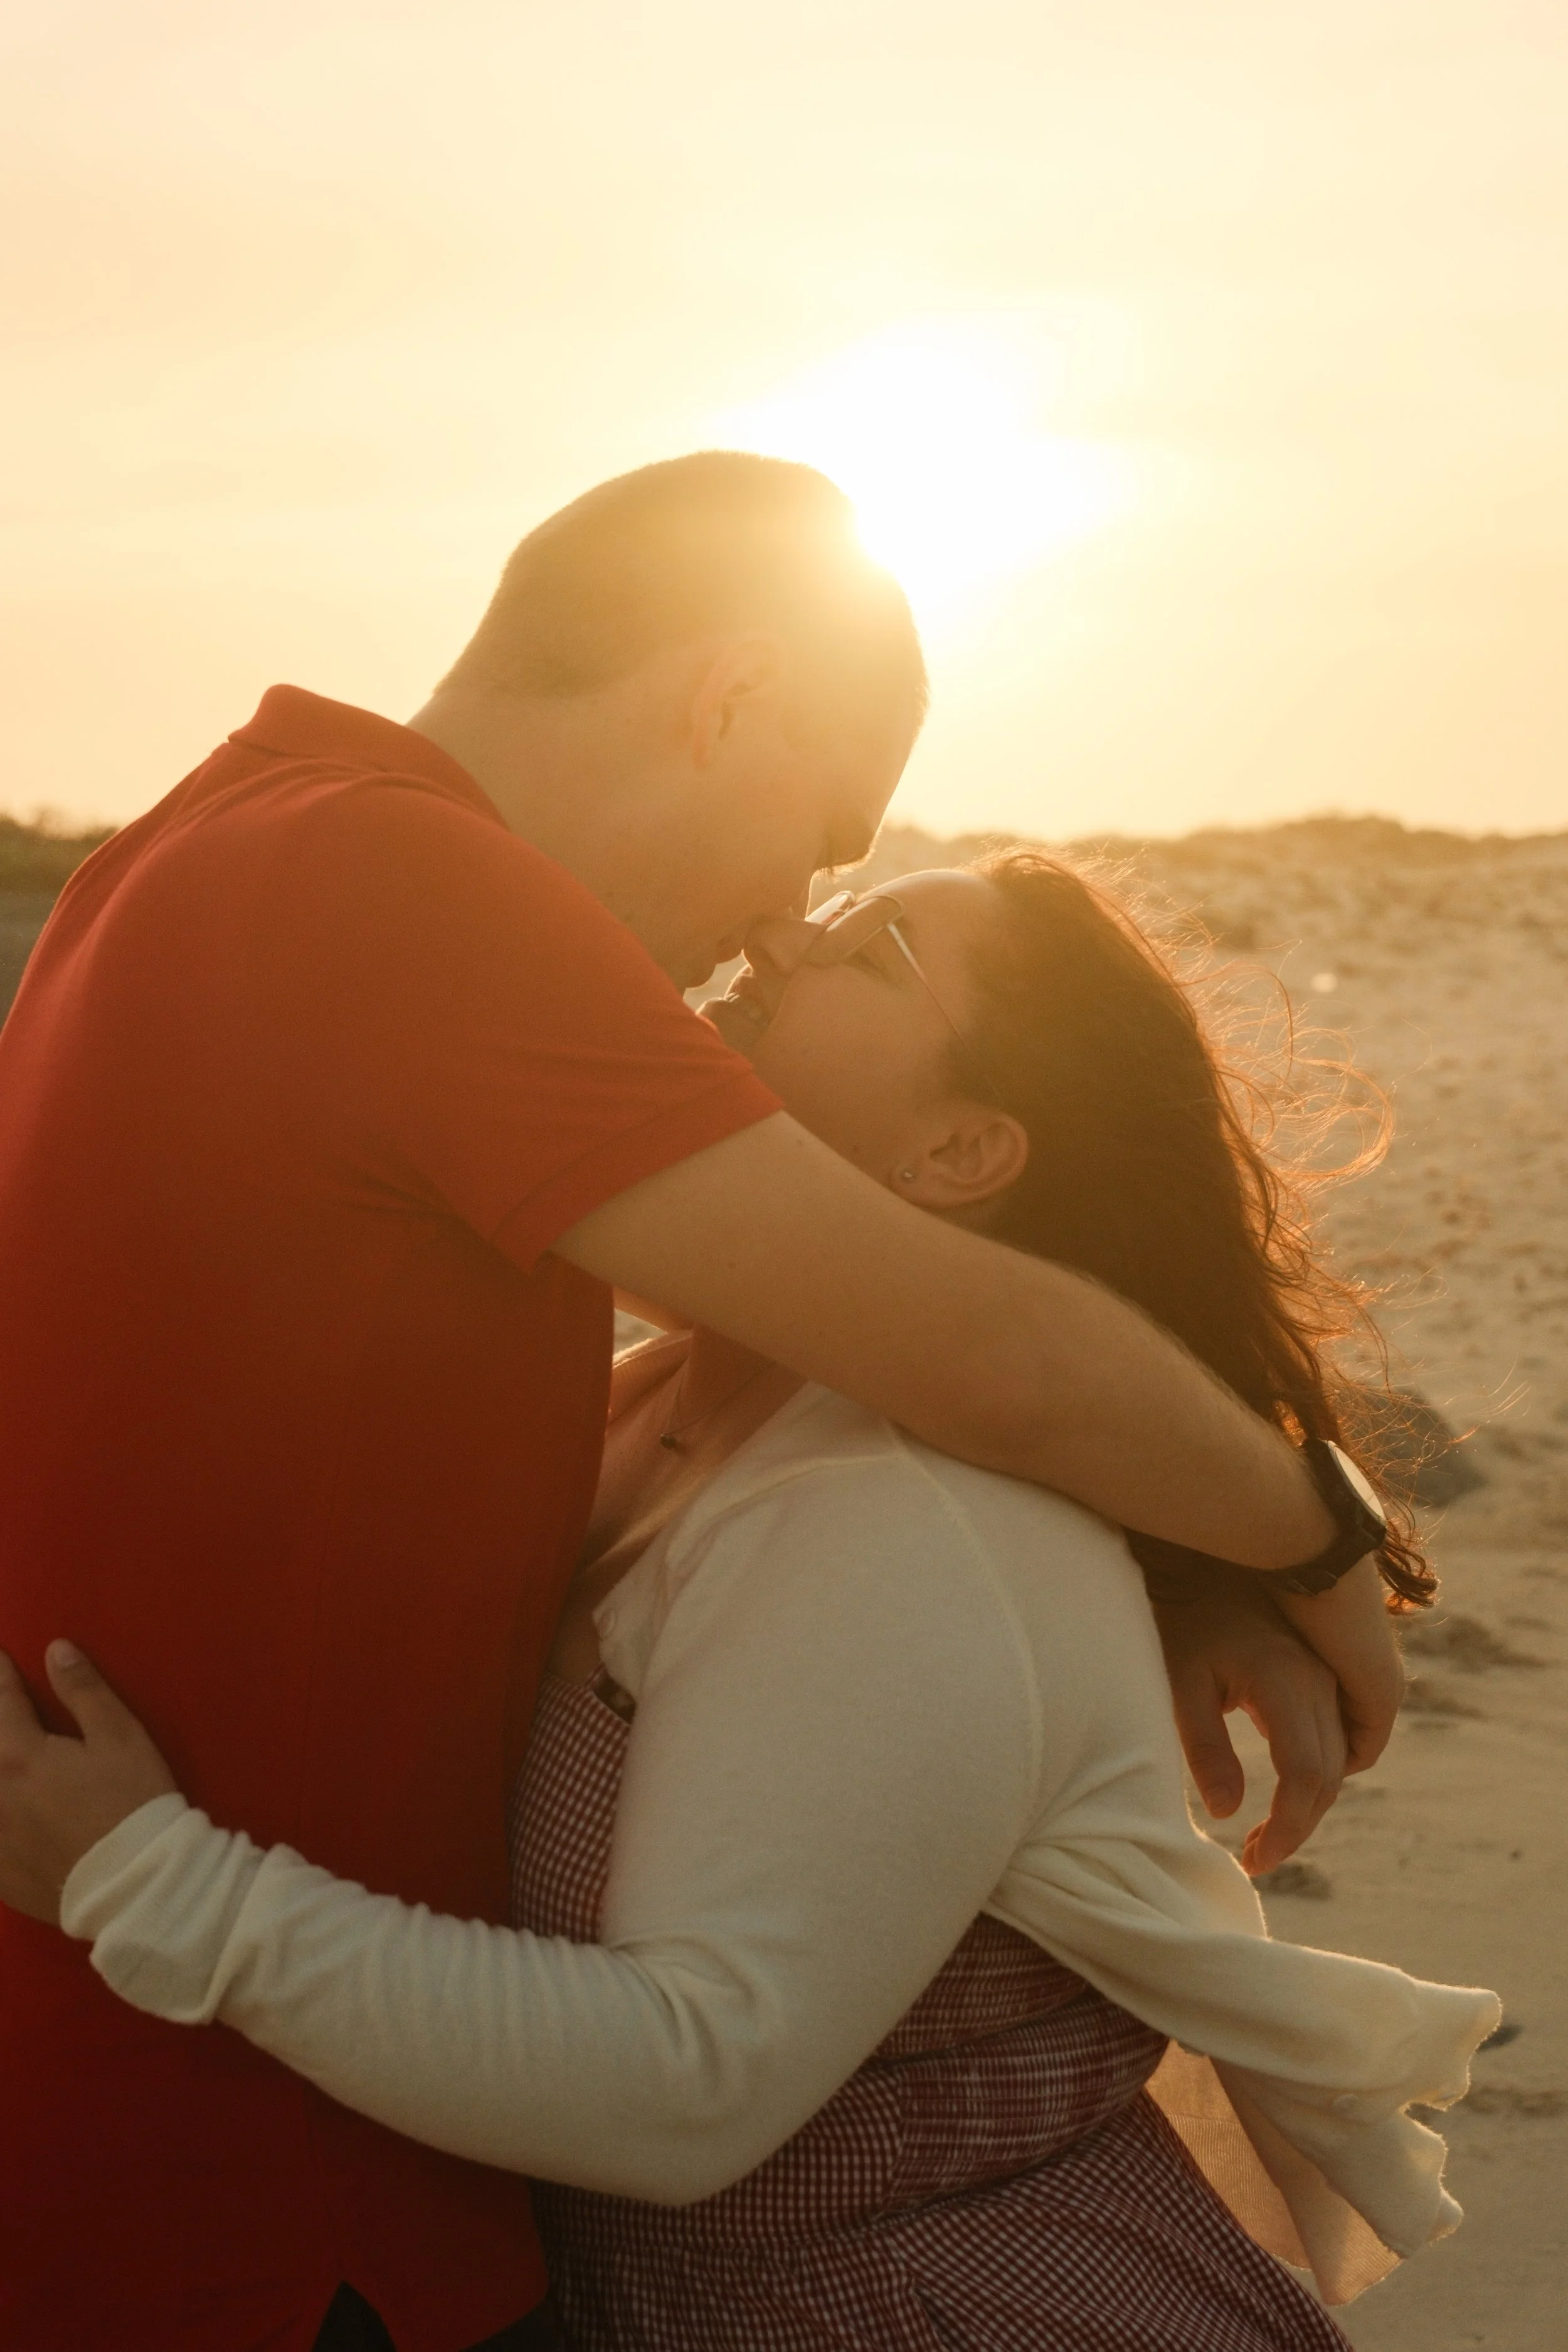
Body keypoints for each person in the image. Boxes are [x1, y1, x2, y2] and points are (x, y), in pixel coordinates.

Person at [0, 857, 1492, 2351]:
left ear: (960, 1149)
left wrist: (149, 1885)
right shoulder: (652, 1396)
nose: (784, 927)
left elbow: (687, 2081)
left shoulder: (910, 1520)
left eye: (874, 940)